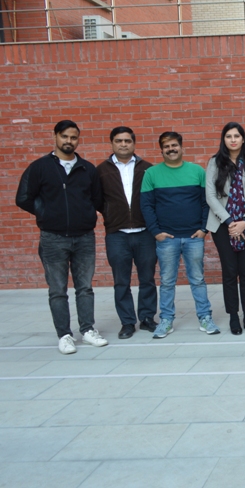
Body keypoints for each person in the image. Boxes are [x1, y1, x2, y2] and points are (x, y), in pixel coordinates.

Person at [16, 120, 107, 354]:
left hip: (84, 237)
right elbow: (23, 197)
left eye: (73, 137)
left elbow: (97, 200)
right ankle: (65, 335)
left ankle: (88, 330)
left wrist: (85, 214)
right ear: (55, 136)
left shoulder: (87, 169)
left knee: (85, 288)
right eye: (64, 136)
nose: (69, 141)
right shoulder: (40, 167)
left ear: (78, 140)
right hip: (53, 238)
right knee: (57, 290)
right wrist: (47, 213)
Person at [141, 132, 220, 338]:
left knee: (198, 279)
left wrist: (204, 229)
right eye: (166, 146)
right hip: (167, 238)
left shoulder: (197, 171)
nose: (171, 149)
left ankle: (205, 317)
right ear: (161, 150)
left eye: (174, 145)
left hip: (194, 237)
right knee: (167, 281)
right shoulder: (152, 174)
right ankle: (166, 320)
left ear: (182, 147)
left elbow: (206, 202)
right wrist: (156, 232)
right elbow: (146, 206)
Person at [96, 126, 158, 339]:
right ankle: (127, 322)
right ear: (112, 143)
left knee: (147, 278)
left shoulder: (147, 169)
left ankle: (147, 318)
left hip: (145, 233)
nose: (123, 144)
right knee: (121, 281)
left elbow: (154, 199)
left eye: (127, 141)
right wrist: (110, 213)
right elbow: (97, 199)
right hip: (117, 234)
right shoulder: (101, 171)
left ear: (133, 143)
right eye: (119, 141)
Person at [206, 122, 245, 336]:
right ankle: (233, 316)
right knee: (230, 272)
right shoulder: (214, 163)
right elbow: (210, 196)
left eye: (236, 136)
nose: (233, 140)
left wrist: (244, 221)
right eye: (228, 136)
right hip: (223, 226)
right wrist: (230, 221)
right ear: (224, 139)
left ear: (243, 139)